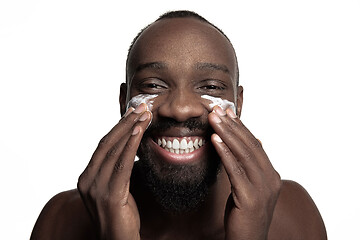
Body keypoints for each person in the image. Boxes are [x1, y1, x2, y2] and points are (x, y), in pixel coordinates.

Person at [30, 10, 327, 240]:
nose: (181, 109)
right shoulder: (62, 219)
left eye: (210, 86)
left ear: (238, 104)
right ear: (124, 102)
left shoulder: (291, 215)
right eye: (153, 85)